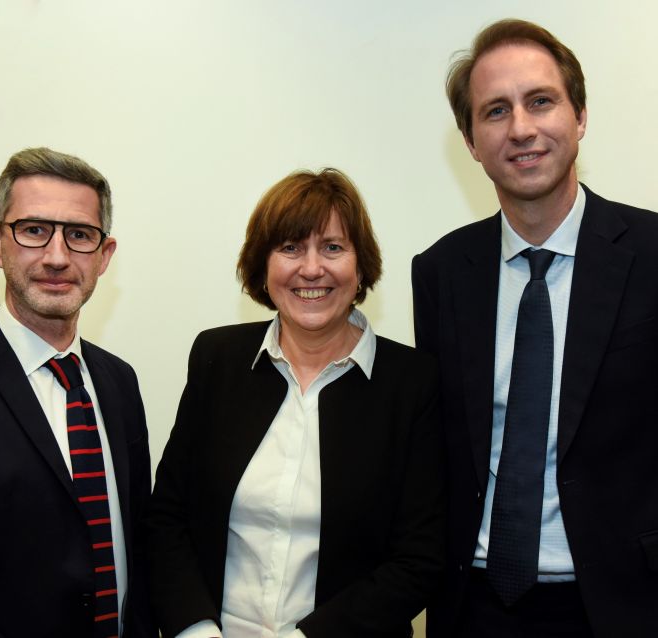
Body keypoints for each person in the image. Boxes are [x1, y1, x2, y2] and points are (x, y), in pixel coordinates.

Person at [412, 18, 658, 638]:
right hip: (473, 605)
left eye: (540, 101)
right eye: (495, 111)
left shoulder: (653, 254)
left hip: (625, 604)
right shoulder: (440, 272)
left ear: (579, 116)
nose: (520, 128)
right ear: (470, 141)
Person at [147, 168, 445, 638]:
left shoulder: (412, 383)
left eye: (332, 247)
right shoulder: (217, 360)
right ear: (263, 267)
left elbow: (421, 558)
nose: (311, 268)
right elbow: (168, 516)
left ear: (361, 265)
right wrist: (195, 630)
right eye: (289, 247)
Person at [0, 147, 155, 637]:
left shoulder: (119, 381)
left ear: (105, 256)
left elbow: (138, 536)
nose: (57, 257)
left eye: (80, 235)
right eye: (33, 230)